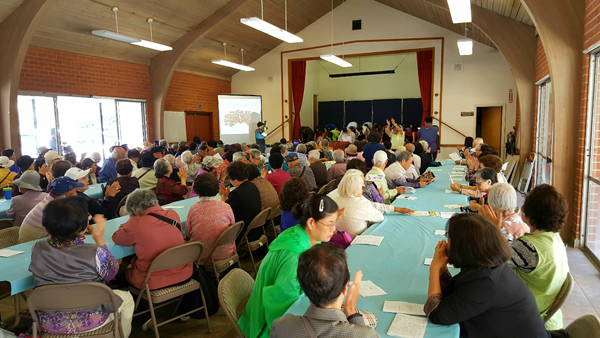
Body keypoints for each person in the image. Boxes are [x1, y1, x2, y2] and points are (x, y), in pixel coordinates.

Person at [424, 213, 551, 337]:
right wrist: (443, 269)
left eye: (449, 238)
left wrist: (435, 268)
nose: (447, 243)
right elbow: (451, 295)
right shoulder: (487, 266)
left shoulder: (486, 282)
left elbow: (435, 313)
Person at [29, 197, 134, 337]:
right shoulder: (94, 252)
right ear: (84, 228)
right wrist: (100, 240)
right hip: (92, 319)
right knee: (127, 298)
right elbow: (111, 274)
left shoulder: (36, 248)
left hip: (50, 321)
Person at [238, 195, 340, 338]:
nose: (334, 229)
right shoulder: (294, 256)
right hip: (270, 326)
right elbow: (282, 306)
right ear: (311, 222)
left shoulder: (300, 234)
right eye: (330, 224)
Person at [271, 244, 377, 338]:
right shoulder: (367, 335)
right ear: (345, 289)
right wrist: (353, 314)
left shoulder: (281, 326)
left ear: (303, 287)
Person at [504, 184, 569, 330]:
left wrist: (494, 226)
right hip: (547, 314)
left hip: (526, 318)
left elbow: (492, 258)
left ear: (530, 212)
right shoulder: (554, 238)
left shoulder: (529, 248)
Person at [112, 189, 193, 290]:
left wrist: (130, 221)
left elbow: (117, 238)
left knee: (124, 275)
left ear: (133, 210)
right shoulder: (172, 214)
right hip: (184, 273)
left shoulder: (135, 224)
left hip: (151, 281)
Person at [330, 170, 413, 238]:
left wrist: (396, 209)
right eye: (362, 187)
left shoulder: (333, 200)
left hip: (337, 241)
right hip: (356, 241)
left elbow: (371, 204)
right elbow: (379, 217)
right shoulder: (361, 203)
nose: (363, 189)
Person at [185, 174, 237, 264]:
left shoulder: (194, 208)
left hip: (200, 255)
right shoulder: (226, 206)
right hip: (226, 252)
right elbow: (232, 228)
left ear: (196, 191)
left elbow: (188, 233)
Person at [18, 176, 82, 243]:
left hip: (37, 241)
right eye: (75, 192)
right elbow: (66, 233)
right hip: (33, 245)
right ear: (67, 195)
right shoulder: (53, 209)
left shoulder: (50, 202)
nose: (77, 195)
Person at [220, 161, 262, 244]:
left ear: (235, 179)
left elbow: (224, 210)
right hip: (256, 229)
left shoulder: (237, 193)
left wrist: (224, 197)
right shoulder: (252, 186)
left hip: (242, 233)